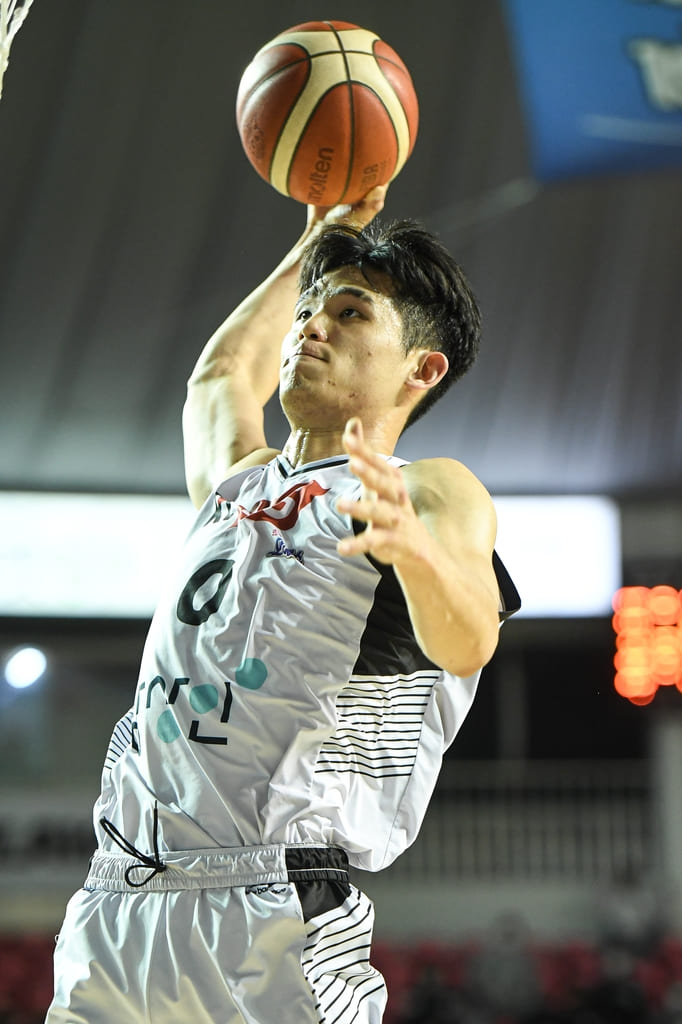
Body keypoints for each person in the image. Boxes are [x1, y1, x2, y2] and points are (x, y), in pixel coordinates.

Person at [46, 185, 520, 1024]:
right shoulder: (237, 483)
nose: (312, 326)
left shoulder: (429, 489)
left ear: (422, 369)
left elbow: (471, 638)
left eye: (350, 313)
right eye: (309, 312)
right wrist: (321, 237)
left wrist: (412, 550)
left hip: (272, 908)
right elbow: (220, 376)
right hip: (119, 896)